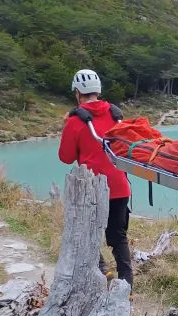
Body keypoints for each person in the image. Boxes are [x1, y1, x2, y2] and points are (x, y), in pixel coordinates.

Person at [59, 69, 133, 287]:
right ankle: (127, 286)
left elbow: (65, 157)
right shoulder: (116, 114)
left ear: (78, 93)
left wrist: (67, 127)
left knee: (86, 230)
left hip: (92, 187)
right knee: (118, 237)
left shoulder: (75, 120)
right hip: (120, 186)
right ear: (98, 91)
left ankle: (102, 272)